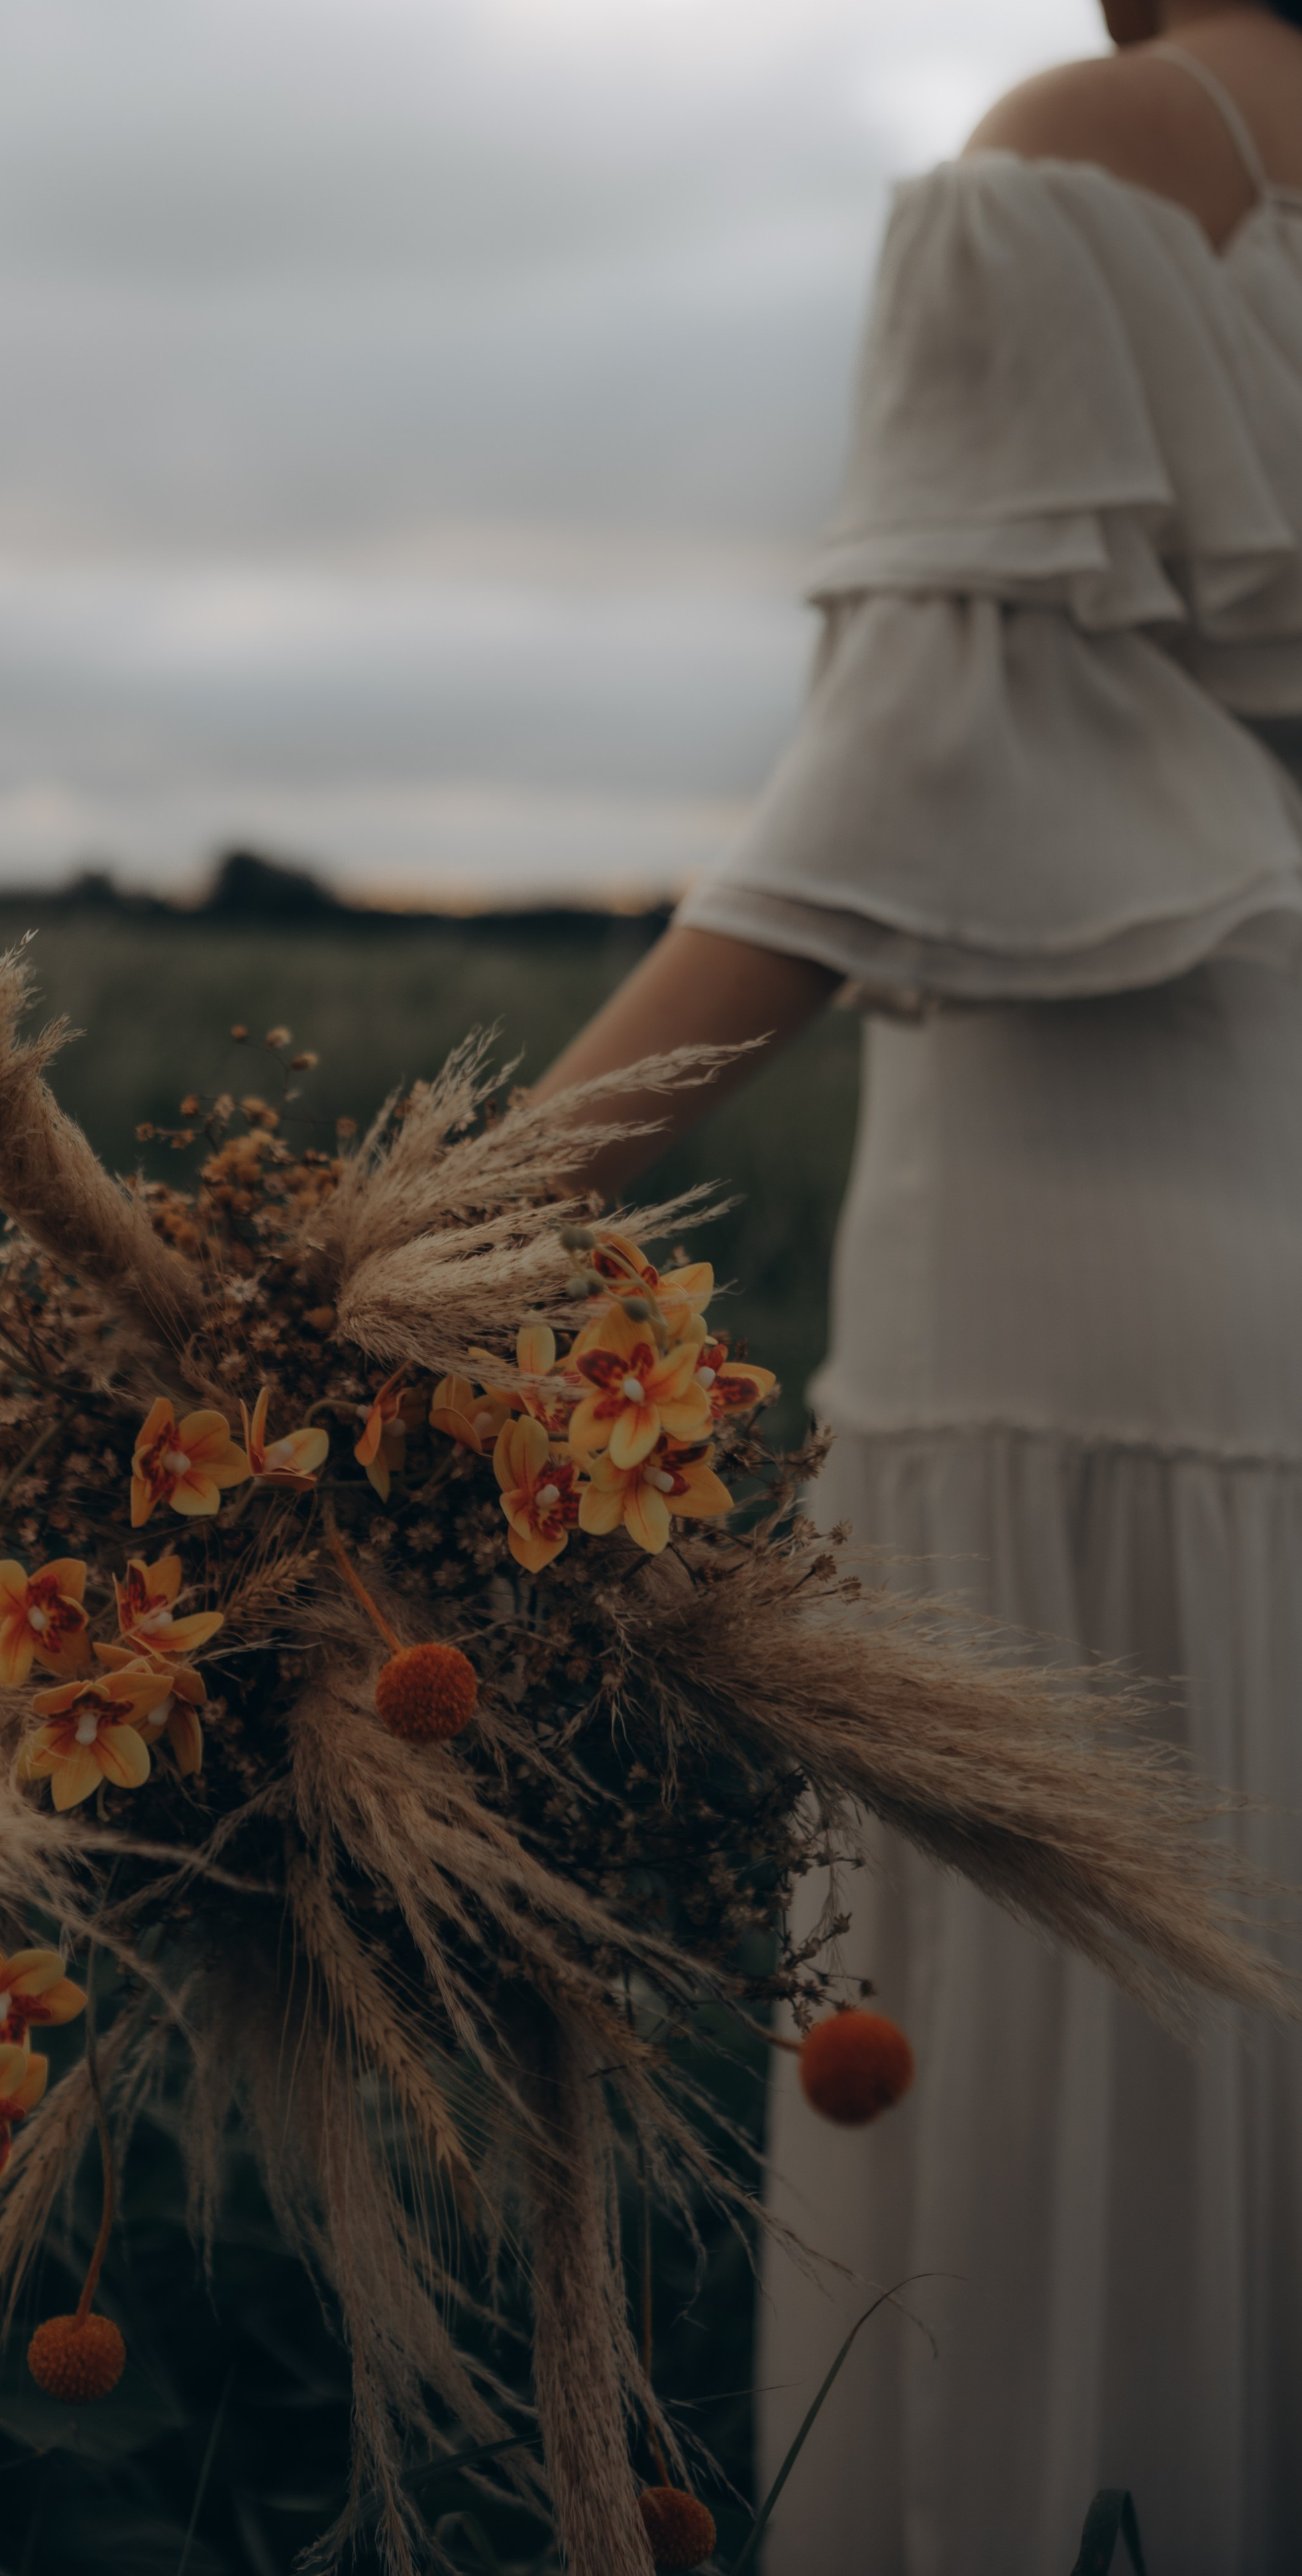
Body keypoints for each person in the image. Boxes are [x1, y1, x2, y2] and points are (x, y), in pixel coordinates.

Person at [531, 5, 1302, 2567]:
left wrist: (436, 1222)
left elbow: (879, 800)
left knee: (1018, 2104)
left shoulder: (1114, 139)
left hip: (1079, 1296)